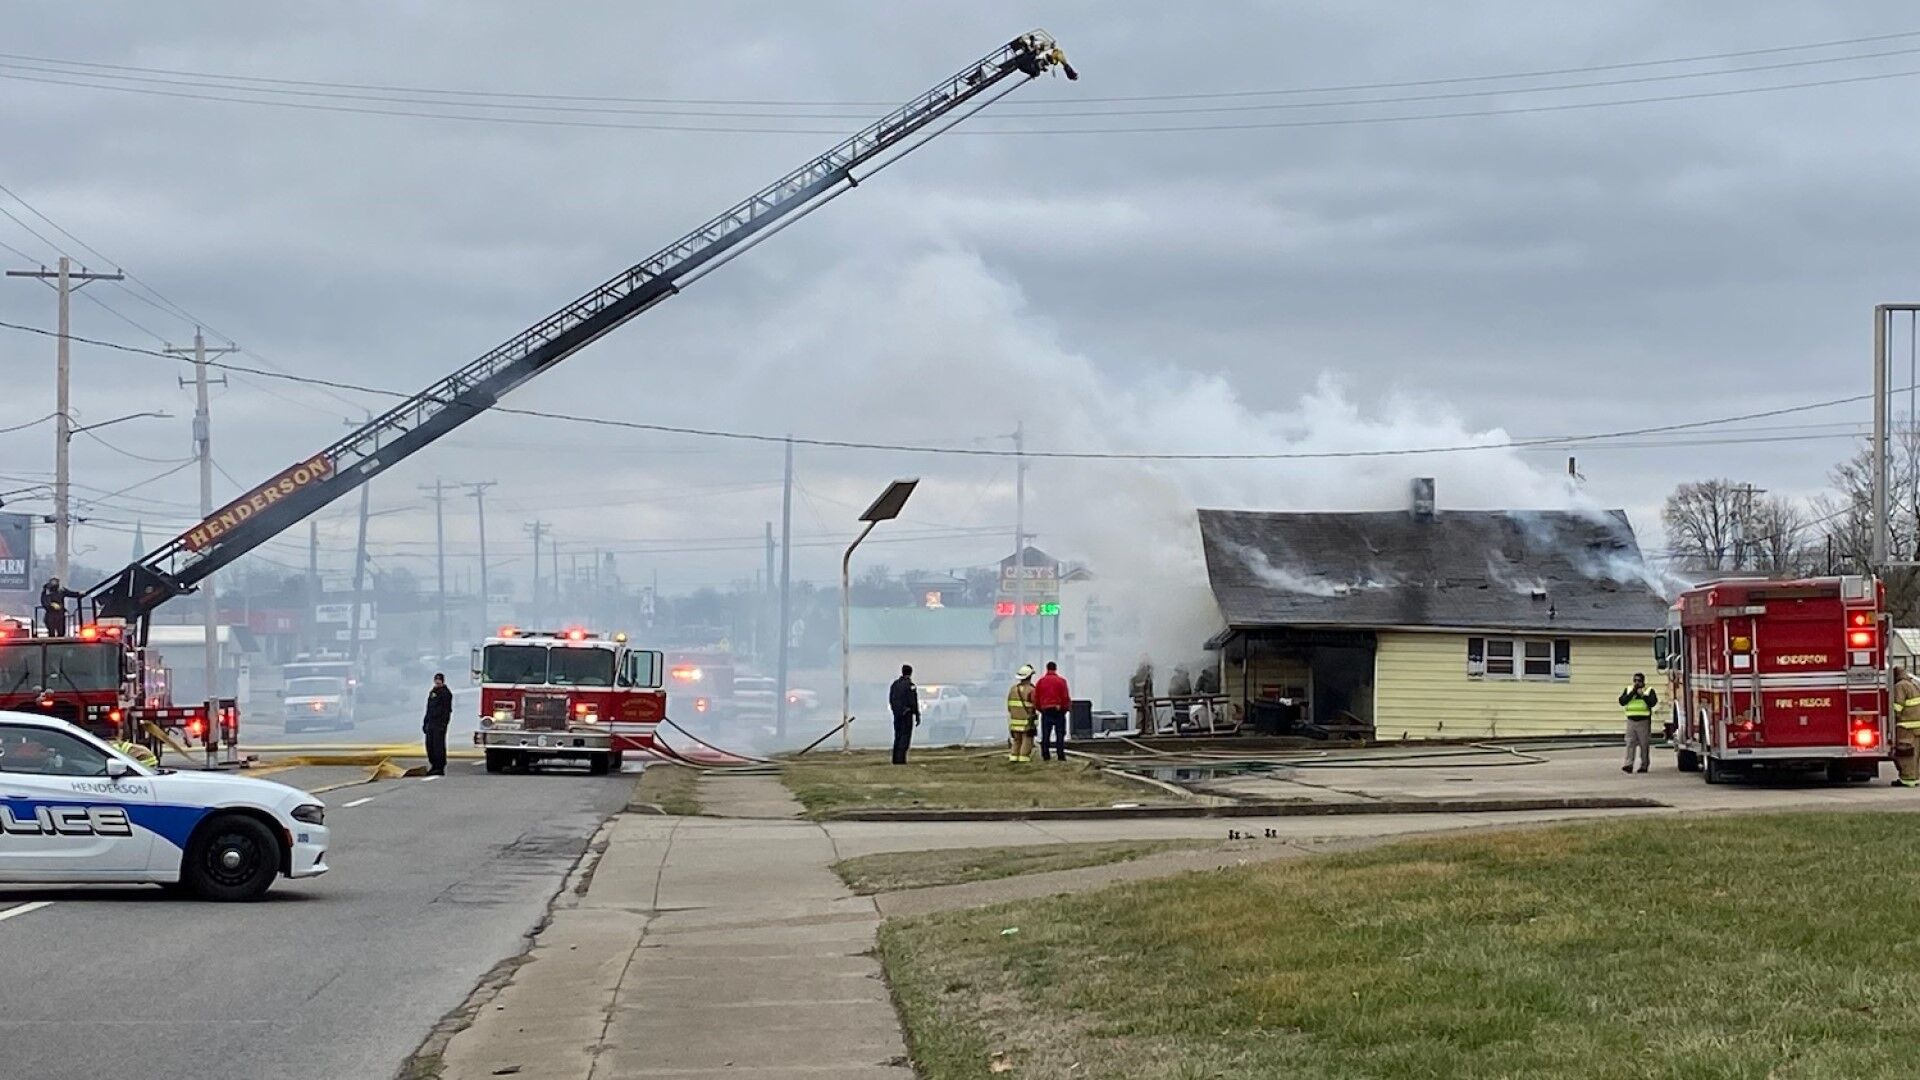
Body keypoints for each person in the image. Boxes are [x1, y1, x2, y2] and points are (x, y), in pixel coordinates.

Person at [1618, 672, 1658, 774]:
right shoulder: (1628, 690)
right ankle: (1628, 765)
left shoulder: (1648, 691)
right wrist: (1632, 693)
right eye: (1635, 681)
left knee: (1644, 745)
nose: (1637, 683)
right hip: (1631, 720)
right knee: (1630, 743)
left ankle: (1644, 765)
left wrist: (1643, 695)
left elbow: (1652, 702)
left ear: (1643, 682)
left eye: (1639, 681)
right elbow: (1622, 701)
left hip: (1643, 721)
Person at [1033, 661, 1072, 762]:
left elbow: (1036, 698)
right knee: (1060, 734)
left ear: (1047, 668)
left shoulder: (1040, 682)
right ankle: (1061, 756)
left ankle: (1045, 756)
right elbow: (1065, 696)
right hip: (1059, 711)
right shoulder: (1061, 681)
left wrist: (1040, 709)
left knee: (1046, 735)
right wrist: (1065, 709)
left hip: (1046, 711)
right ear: (1055, 669)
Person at [1893, 666, 1920, 787]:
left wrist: (1891, 719)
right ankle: (1915, 778)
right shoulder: (1912, 684)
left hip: (1906, 727)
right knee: (1916, 754)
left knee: (1906, 754)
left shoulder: (1900, 686)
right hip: (1916, 727)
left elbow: (1897, 706)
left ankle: (1907, 780)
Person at [1006, 664, 1038, 763]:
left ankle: (1014, 758)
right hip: (1027, 721)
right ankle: (1024, 759)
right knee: (1027, 740)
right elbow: (1035, 704)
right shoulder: (1031, 690)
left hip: (1014, 721)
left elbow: (1009, 706)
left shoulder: (1013, 689)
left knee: (1016, 740)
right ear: (1029, 676)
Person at [423, 672, 453, 777]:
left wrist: (444, 723)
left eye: (439, 679)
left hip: (439, 723)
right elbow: (429, 708)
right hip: (431, 722)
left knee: (438, 746)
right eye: (436, 679)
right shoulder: (433, 692)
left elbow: (447, 710)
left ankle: (439, 767)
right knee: (429, 745)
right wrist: (425, 722)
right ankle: (433, 765)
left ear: (442, 680)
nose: (437, 681)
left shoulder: (445, 693)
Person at [889, 664, 920, 765]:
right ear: (910, 673)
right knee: (905, 737)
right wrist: (917, 714)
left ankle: (895, 759)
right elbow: (913, 701)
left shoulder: (895, 684)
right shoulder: (910, 685)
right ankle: (901, 759)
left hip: (897, 715)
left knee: (897, 736)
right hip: (907, 714)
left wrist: (895, 710)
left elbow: (891, 699)